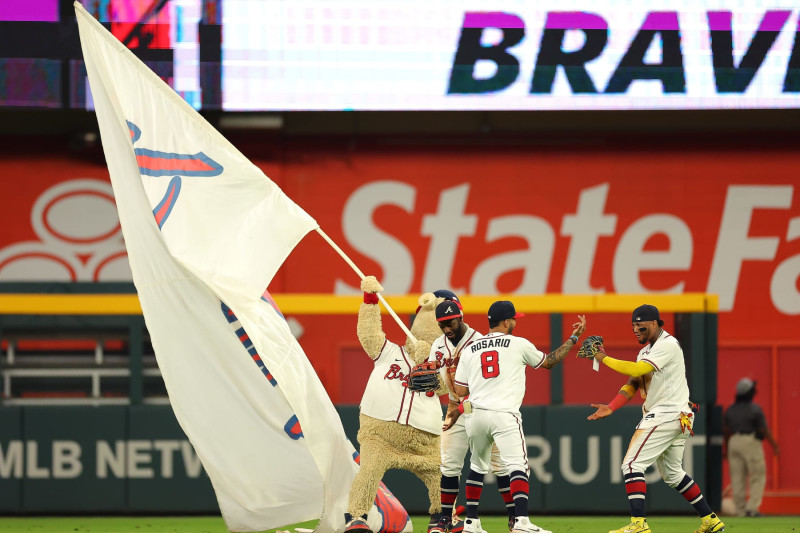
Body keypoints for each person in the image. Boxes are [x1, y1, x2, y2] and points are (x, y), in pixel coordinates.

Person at [443, 300, 587, 533]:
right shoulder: (517, 343)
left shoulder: (470, 348)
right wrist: (573, 339)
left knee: (477, 466)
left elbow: (460, 391)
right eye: (514, 320)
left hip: (475, 414)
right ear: (507, 321)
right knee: (517, 466)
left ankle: (471, 522)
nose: (515, 323)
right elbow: (548, 362)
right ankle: (520, 521)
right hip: (503, 414)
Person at [586, 304, 725, 533]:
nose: (635, 330)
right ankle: (710, 520)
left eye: (640, 326)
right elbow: (634, 382)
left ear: (654, 323)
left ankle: (638, 525)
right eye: (633, 326)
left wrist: (604, 358)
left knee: (631, 465)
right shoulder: (646, 351)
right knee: (673, 474)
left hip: (666, 413)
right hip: (677, 415)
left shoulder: (667, 344)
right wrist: (612, 407)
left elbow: (638, 368)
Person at [427, 298, 516, 533]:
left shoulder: (479, 342)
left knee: (500, 466)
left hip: (482, 409)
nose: (447, 328)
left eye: (451, 323)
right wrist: (427, 379)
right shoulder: (437, 345)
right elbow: (436, 383)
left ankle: (514, 517)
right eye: (442, 324)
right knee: (449, 465)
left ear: (461, 318)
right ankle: (446, 518)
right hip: (454, 410)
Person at [723, 377, 780, 517]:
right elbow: (763, 430)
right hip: (750, 441)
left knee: (737, 477)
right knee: (757, 474)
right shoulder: (754, 409)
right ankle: (752, 509)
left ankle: (741, 510)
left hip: (733, 442)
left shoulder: (730, 409)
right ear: (750, 392)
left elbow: (726, 431)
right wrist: (774, 445)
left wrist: (726, 448)